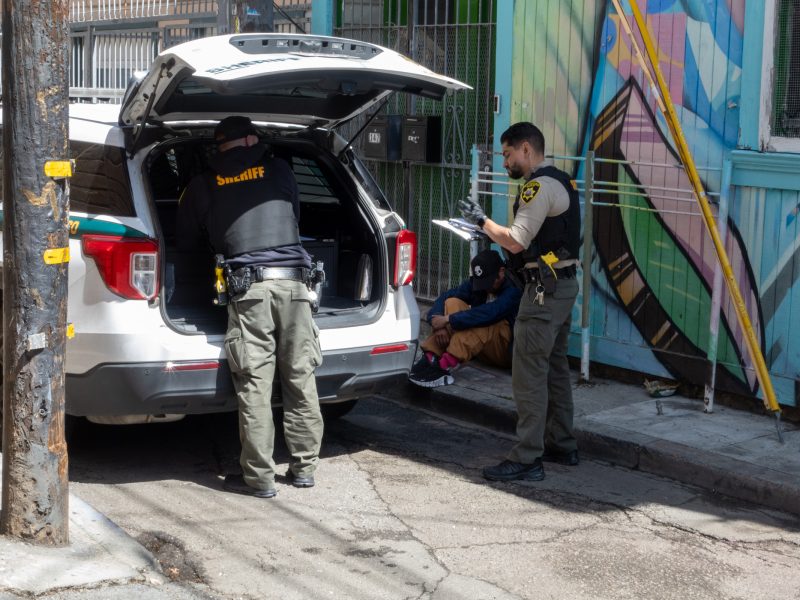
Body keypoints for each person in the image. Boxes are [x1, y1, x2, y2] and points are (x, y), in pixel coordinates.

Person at [177, 116, 323, 498]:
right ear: (253, 139)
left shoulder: (202, 184)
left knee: (256, 384)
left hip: (250, 290)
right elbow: (295, 215)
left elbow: (186, 242)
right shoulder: (280, 170)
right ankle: (305, 468)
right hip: (296, 285)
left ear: (218, 146)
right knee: (300, 377)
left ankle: (260, 479)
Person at [458, 121, 581, 482]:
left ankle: (528, 457)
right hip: (564, 285)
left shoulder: (537, 187)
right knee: (555, 367)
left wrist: (481, 221)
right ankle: (562, 443)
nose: (504, 163)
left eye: (508, 154)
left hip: (544, 292)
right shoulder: (563, 180)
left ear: (526, 149)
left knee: (528, 372)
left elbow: (515, 241)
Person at [409, 249, 521, 388]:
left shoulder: (514, 290)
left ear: (501, 272)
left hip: (505, 352)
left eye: (489, 282)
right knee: (452, 302)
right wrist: (438, 324)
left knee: (485, 322)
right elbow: (446, 296)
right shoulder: (479, 283)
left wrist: (449, 319)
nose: (485, 288)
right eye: (483, 283)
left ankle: (444, 366)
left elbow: (490, 313)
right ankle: (430, 358)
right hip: (478, 347)